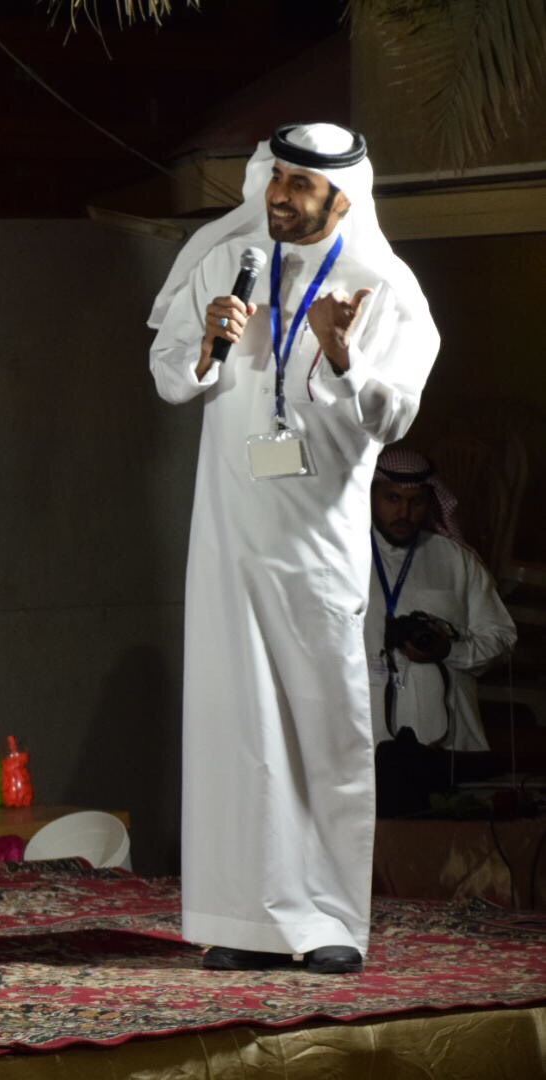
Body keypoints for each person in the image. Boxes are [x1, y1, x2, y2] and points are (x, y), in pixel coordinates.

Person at [149, 123, 441, 974]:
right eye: (273, 177)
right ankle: (243, 920)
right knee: (234, 719)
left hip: (318, 539)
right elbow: (170, 377)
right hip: (230, 531)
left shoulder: (385, 286)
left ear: (342, 198)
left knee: (324, 721)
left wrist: (344, 354)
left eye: (298, 184)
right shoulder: (225, 260)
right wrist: (208, 341)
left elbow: (393, 419)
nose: (277, 195)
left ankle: (329, 920)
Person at [366, 447, 516, 812]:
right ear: (371, 496)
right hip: (364, 743)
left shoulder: (456, 560)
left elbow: (502, 638)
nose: (404, 512)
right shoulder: (340, 558)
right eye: (392, 499)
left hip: (447, 745)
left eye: (416, 501)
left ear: (430, 500)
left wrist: (449, 651)